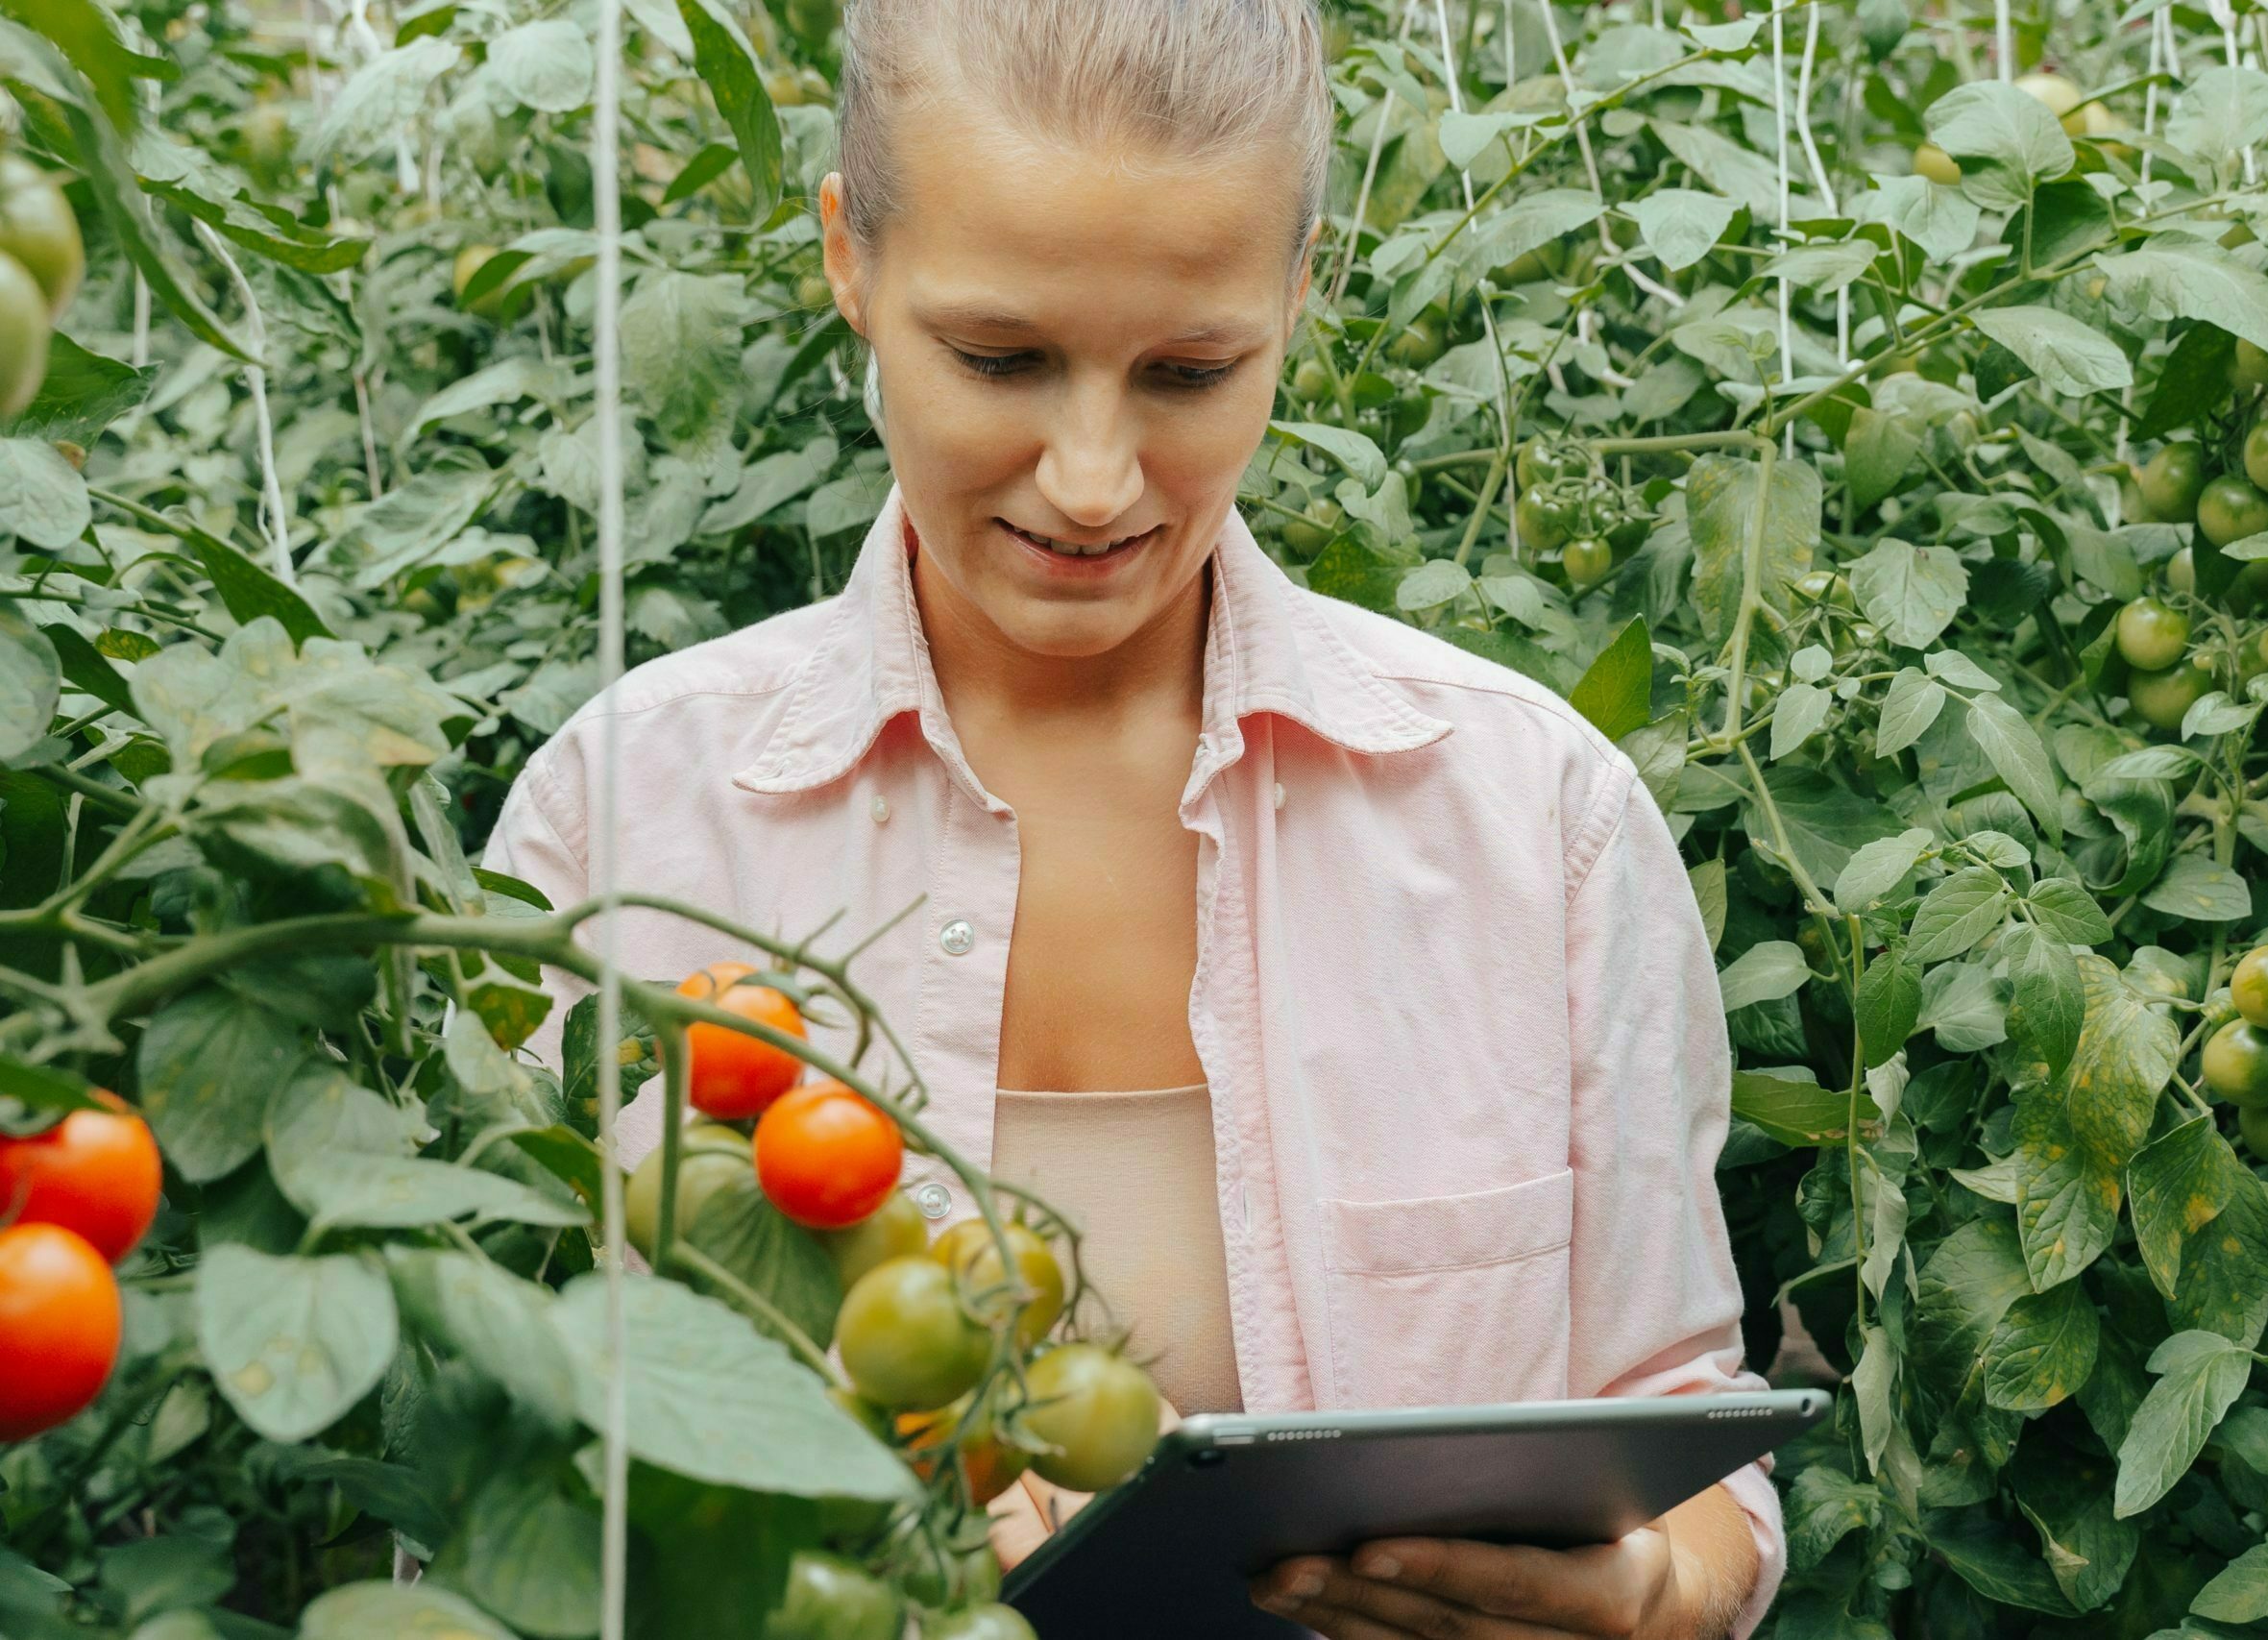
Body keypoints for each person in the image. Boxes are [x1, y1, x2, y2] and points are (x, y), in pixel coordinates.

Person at [479, 0, 1785, 1632]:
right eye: (1000, 358)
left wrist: (1654, 1594)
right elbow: (495, 1477)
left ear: (1297, 300)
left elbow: (1685, 1424)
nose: (1093, 478)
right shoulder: (631, 831)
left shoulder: (1533, 822)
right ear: (849, 260)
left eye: (1189, 370)